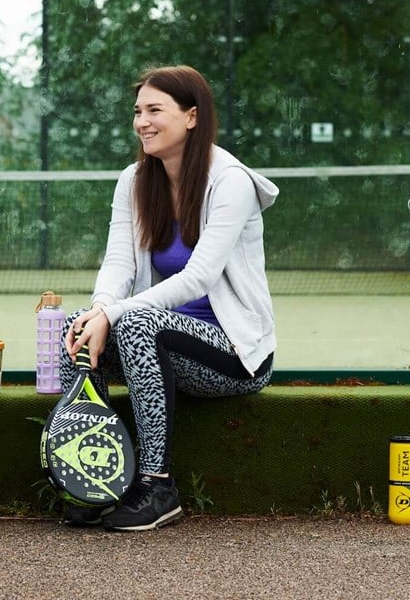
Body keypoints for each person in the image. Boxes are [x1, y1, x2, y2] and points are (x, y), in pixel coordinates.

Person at [61, 65, 279, 531]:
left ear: (192, 117)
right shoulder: (135, 181)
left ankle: (157, 485)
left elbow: (199, 277)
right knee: (77, 326)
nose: (142, 121)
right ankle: (90, 477)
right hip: (161, 346)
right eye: (138, 111)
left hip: (233, 354)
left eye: (155, 110)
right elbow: (118, 263)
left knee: (137, 322)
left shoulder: (230, 182)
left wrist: (115, 314)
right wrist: (100, 311)